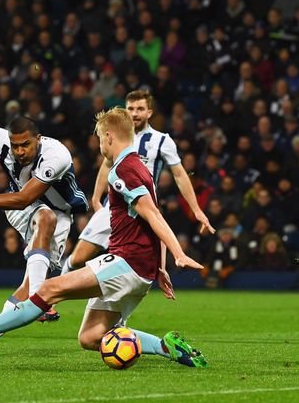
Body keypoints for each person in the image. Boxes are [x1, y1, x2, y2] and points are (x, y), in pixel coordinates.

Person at [0, 107, 208, 368]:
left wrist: (178, 253)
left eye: (98, 139)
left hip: (127, 263)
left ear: (108, 136)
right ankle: (167, 347)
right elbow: (152, 216)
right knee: (91, 337)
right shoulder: (140, 168)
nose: (98, 146)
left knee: (47, 289)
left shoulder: (123, 170)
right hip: (141, 269)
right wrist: (159, 267)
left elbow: (152, 215)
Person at [0, 100, 89, 357]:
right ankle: (40, 302)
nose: (19, 151)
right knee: (45, 218)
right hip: (22, 207)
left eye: (26, 145)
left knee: (29, 283)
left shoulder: (57, 155)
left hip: (52, 211)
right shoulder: (1, 140)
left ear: (38, 139)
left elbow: (25, 199)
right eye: (16, 146)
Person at [62, 90, 215, 276]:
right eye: (131, 109)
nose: (135, 113)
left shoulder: (162, 141)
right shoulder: (118, 136)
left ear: (149, 112)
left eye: (140, 109)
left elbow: (180, 175)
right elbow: (106, 165)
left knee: (133, 264)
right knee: (78, 259)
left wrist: (197, 210)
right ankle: (54, 295)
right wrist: (95, 199)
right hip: (114, 205)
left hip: (142, 208)